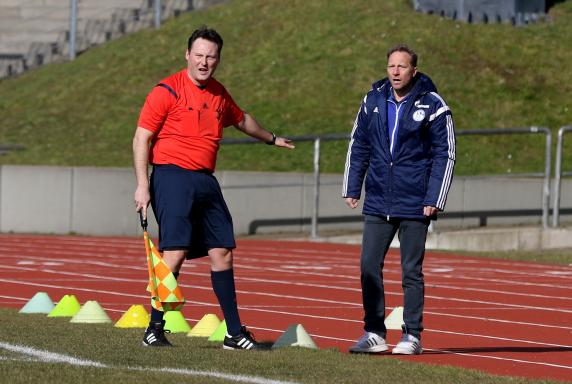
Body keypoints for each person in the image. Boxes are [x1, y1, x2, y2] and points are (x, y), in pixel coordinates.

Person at [133, 26, 294, 350]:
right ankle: (154, 328)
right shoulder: (167, 90)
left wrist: (271, 138)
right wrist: (142, 185)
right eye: (200, 55)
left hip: (206, 180)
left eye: (211, 57)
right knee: (174, 253)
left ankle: (234, 333)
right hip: (172, 175)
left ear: (218, 59)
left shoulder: (219, 93)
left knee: (222, 250)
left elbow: (241, 119)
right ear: (187, 55)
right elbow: (141, 138)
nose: (205, 62)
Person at [342, 44, 455, 355]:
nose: (395, 71)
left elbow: (445, 154)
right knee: (368, 265)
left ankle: (412, 335)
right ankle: (375, 332)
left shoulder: (433, 105)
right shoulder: (372, 100)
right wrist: (353, 187)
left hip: (415, 202)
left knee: (411, 272)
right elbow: (359, 144)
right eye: (391, 66)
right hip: (378, 199)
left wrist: (435, 197)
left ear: (413, 71)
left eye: (402, 66)